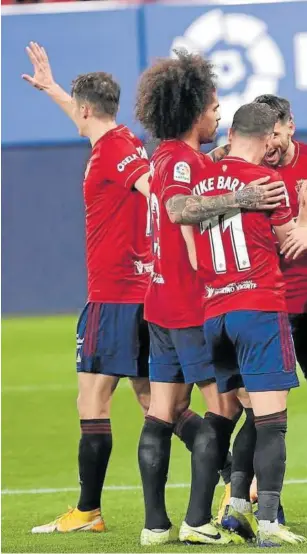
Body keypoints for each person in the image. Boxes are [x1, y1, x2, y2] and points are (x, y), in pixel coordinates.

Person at [135, 52, 287, 546]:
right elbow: (181, 209)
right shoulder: (181, 161)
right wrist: (243, 198)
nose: (218, 115)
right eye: (214, 106)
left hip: (157, 302)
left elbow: (197, 177)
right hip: (188, 303)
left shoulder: (167, 156)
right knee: (230, 408)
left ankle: (155, 525)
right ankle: (205, 516)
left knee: (163, 411)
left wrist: (225, 157)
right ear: (194, 109)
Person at [22, 41, 154, 534]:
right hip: (140, 295)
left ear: (85, 109)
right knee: (155, 403)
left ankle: (87, 512)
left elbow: (150, 185)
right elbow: (107, 142)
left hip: (114, 298)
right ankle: (232, 483)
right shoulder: (119, 140)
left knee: (92, 404)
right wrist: (52, 87)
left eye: (73, 107)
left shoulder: (119, 152)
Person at [171, 102, 304, 547]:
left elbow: (177, 208)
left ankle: (235, 511)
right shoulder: (266, 184)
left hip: (216, 314)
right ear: (268, 139)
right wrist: (301, 213)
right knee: (272, 422)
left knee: (241, 413)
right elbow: (291, 244)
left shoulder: (204, 181)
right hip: (260, 307)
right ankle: (269, 522)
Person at [253, 94, 307, 380]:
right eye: (262, 135)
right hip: (268, 302)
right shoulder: (248, 171)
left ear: (290, 127)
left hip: (304, 297)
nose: (268, 143)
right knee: (259, 395)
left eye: (274, 134)